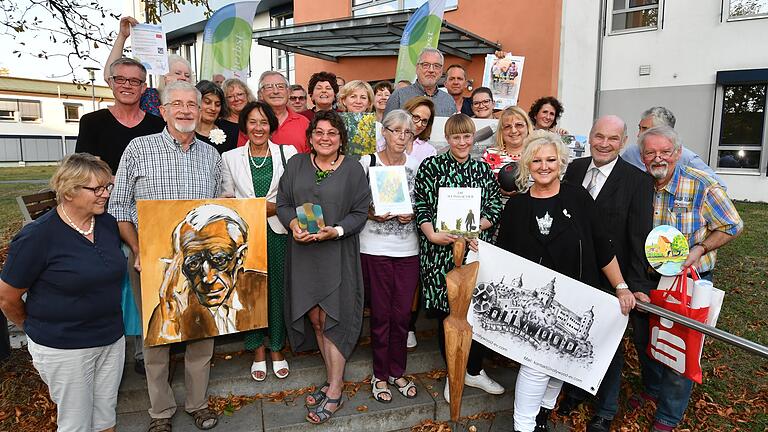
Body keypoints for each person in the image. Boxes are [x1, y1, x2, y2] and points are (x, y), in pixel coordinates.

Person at [495, 130, 636, 432]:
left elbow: (602, 247)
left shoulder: (578, 198)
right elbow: (505, 259)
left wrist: (621, 286)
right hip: (535, 307)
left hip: (576, 296)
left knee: (560, 361)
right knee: (535, 364)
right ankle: (524, 426)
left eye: (550, 159)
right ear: (526, 164)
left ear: (561, 163)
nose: (544, 166)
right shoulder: (516, 208)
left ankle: (543, 414)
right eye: (537, 160)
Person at [109, 81, 222, 431]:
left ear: (200, 110)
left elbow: (218, 209)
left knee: (201, 335)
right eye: (178, 104)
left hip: (199, 264)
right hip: (149, 258)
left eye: (192, 104)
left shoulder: (211, 155)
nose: (186, 110)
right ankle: (160, 413)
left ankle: (198, 403)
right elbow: (118, 208)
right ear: (163, 109)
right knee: (156, 338)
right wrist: (139, 250)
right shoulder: (138, 149)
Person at [0, 153, 125, 432]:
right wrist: (32, 328)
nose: (105, 194)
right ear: (69, 191)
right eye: (97, 189)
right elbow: (6, 297)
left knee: (106, 417)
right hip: (65, 347)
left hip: (110, 339)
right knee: (75, 424)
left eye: (108, 186)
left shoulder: (105, 224)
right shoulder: (37, 236)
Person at [636, 125, 742, 432]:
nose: (658, 158)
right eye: (650, 152)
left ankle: (668, 415)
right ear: (642, 157)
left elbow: (733, 225)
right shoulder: (640, 185)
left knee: (681, 346)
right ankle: (653, 390)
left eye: (665, 151)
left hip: (689, 280)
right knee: (646, 339)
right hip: (648, 278)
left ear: (678, 153)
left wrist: (700, 248)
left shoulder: (702, 185)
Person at [558, 115, 655, 431]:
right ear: (589, 136)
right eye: (598, 136)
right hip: (574, 272)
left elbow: (640, 237)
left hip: (615, 278)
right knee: (571, 336)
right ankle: (575, 390)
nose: (603, 143)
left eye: (612, 139)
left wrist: (636, 285)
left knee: (608, 346)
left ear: (623, 142)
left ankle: (606, 409)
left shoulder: (638, 181)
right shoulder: (574, 169)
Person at [277, 110, 371, 424]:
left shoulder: (354, 169)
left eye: (332, 133)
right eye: (319, 132)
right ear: (311, 137)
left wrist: (338, 230)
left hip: (337, 251)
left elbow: (360, 212)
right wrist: (292, 224)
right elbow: (283, 204)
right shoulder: (296, 164)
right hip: (303, 252)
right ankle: (332, 378)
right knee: (316, 318)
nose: (325, 138)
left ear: (341, 138)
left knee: (335, 316)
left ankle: (335, 388)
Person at [413, 113, 504, 403]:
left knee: (475, 313)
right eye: (456, 137)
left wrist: (477, 228)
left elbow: (494, 207)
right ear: (448, 138)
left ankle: (473, 371)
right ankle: (454, 373)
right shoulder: (432, 166)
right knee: (448, 314)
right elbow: (423, 207)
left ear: (472, 137)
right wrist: (431, 234)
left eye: (467, 136)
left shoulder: (482, 170)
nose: (462, 142)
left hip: (475, 250)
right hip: (440, 251)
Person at [220, 101, 298, 382]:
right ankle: (257, 349)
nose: (258, 128)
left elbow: (294, 195)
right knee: (250, 290)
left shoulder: (287, 153)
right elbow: (226, 197)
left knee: (276, 290)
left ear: (271, 125)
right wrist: (251, 209)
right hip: (245, 235)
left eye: (263, 122)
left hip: (278, 232)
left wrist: (275, 208)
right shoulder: (229, 157)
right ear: (244, 126)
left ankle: (277, 347)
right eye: (252, 122)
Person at [359, 110, 421, 403]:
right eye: (395, 130)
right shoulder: (367, 163)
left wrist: (415, 213)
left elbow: (425, 203)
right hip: (374, 248)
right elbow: (356, 205)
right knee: (381, 314)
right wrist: (372, 212)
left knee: (402, 314)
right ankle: (380, 374)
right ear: (383, 132)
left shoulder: (417, 165)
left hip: (408, 250)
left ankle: (398, 371)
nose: (401, 137)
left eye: (406, 132)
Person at [144, 203, 267, 344]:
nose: (207, 279)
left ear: (240, 257)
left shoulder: (263, 290)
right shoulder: (170, 310)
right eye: (193, 264)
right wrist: (170, 326)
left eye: (219, 260)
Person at [76, 57, 166, 174]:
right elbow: (84, 169)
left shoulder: (158, 126)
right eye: (120, 79)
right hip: (106, 191)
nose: (127, 85)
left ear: (143, 87)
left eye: (134, 81)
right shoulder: (92, 122)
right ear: (111, 83)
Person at [104, 16, 193, 117]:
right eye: (177, 73)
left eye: (187, 75)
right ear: (165, 76)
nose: (183, 78)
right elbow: (110, 75)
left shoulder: (195, 102)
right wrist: (122, 36)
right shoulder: (149, 95)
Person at [621, 106, 726, 187]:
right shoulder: (632, 152)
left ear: (664, 130)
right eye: (639, 128)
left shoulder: (686, 157)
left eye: (645, 129)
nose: (639, 134)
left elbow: (719, 186)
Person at [385, 48, 455, 117]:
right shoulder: (399, 96)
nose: (431, 70)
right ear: (417, 68)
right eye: (426, 65)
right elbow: (387, 126)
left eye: (436, 66)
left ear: (441, 71)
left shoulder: (448, 101)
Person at [258, 71, 311, 153]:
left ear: (288, 92)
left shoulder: (304, 123)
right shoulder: (251, 122)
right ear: (260, 94)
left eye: (280, 86)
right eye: (269, 87)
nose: (275, 91)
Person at [481, 106, 533, 176]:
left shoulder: (537, 155)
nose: (513, 131)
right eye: (507, 126)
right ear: (501, 131)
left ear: (528, 127)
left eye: (519, 125)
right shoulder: (489, 155)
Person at [195, 80, 239, 154]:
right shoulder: (185, 131)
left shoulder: (232, 132)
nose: (213, 108)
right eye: (207, 102)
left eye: (217, 104)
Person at [223, 78, 256, 147]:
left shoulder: (258, 119)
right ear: (225, 101)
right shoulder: (219, 125)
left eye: (240, 94)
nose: (236, 99)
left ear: (247, 95)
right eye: (230, 96)